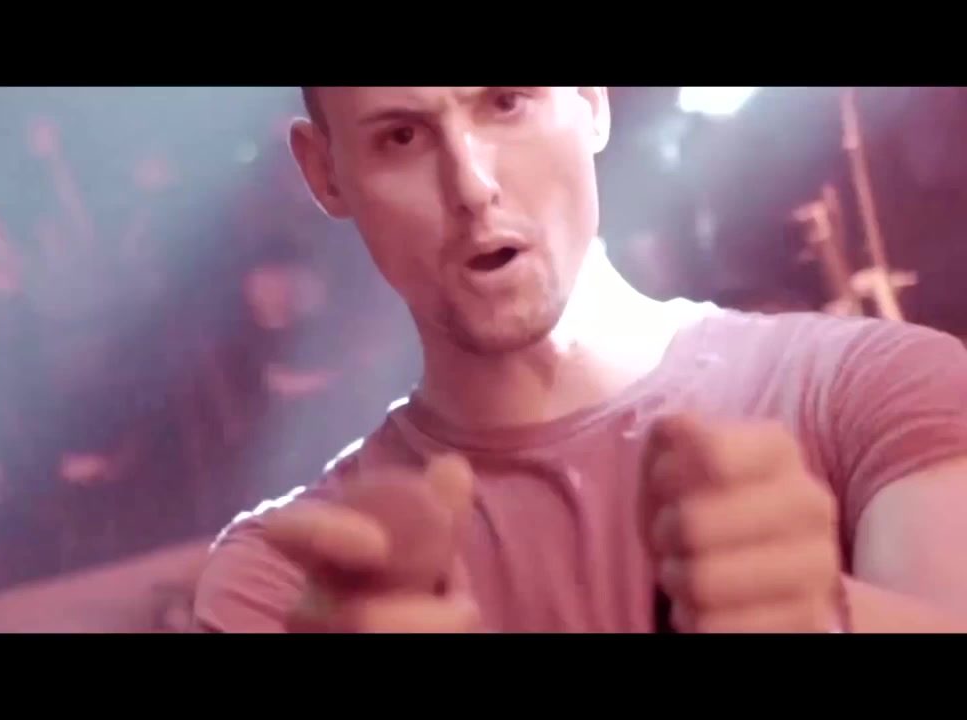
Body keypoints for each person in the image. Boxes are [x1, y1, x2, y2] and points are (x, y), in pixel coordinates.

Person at [191, 87, 967, 633]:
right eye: (401, 136)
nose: (472, 185)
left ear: (591, 99)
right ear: (326, 173)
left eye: (506, 102)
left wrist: (826, 616)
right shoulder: (293, 578)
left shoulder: (874, 389)